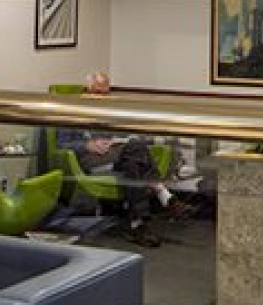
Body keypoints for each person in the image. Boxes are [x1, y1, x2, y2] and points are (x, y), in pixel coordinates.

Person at [57, 72, 190, 248]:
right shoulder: (72, 111)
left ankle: (138, 223)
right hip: (91, 160)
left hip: (117, 156)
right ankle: (163, 195)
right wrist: (87, 145)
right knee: (135, 153)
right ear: (86, 90)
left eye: (105, 93)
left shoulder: (109, 111)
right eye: (97, 93)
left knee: (134, 159)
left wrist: (119, 139)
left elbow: (128, 133)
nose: (102, 98)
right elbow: (62, 144)